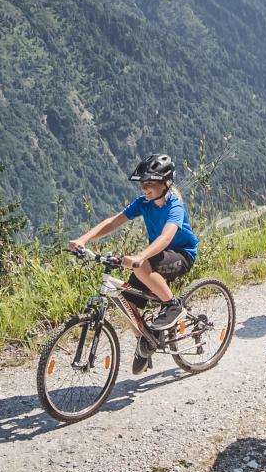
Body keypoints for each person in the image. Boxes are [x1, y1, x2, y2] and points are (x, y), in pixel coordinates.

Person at [69, 154, 198, 374]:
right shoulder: (144, 203)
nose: (144, 188)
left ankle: (172, 305)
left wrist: (140, 257)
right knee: (128, 304)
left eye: (150, 183)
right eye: (142, 183)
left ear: (166, 183)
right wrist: (84, 239)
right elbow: (114, 221)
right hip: (155, 257)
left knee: (143, 264)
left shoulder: (175, 207)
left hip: (181, 255)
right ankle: (145, 342)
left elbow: (166, 238)